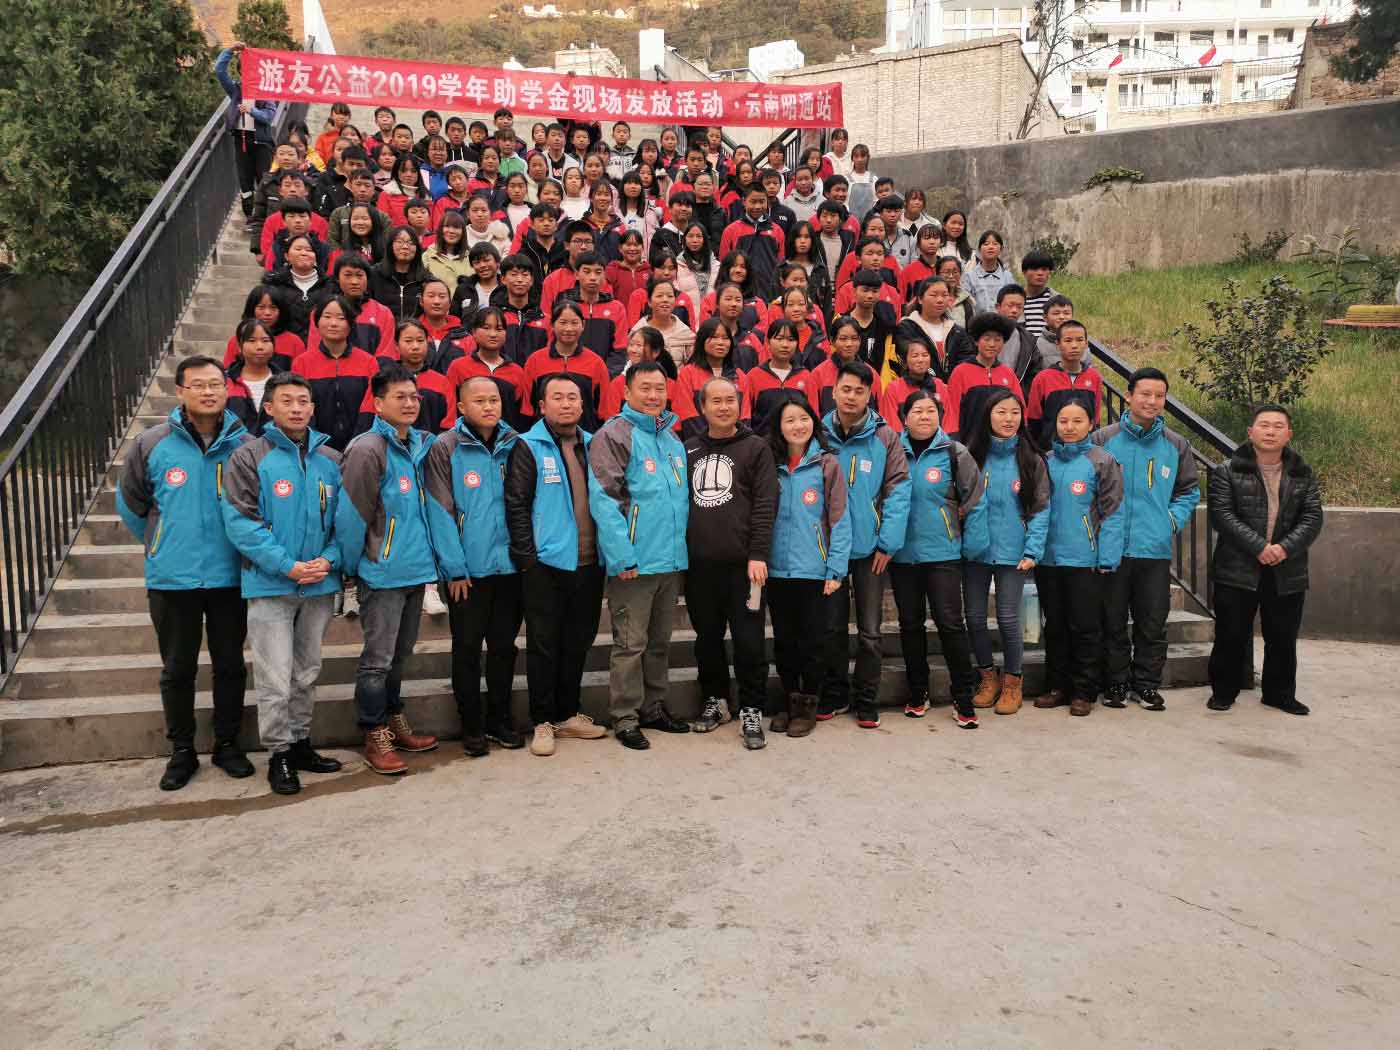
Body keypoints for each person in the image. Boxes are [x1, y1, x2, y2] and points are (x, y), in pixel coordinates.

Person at [116, 356, 252, 791]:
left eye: (215, 384)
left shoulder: (246, 445)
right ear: (180, 392)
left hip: (231, 576)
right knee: (177, 668)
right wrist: (162, 542)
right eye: (198, 385)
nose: (208, 392)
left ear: (227, 390)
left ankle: (227, 743)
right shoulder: (152, 443)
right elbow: (131, 504)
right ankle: (182, 750)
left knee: (230, 664)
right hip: (173, 577)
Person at [221, 373, 345, 794]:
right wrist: (287, 566)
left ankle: (301, 741)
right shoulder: (249, 457)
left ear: (313, 408)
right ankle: (279, 754)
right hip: (270, 584)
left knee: (307, 671)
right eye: (286, 401)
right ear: (269, 408)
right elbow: (241, 522)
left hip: (319, 584)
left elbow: (345, 521)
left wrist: (329, 559)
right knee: (275, 676)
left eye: (303, 401)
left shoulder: (330, 458)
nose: (296, 408)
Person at [336, 365, 442, 774]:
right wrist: (352, 568)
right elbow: (352, 515)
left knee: (400, 656)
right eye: (400, 397)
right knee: (377, 660)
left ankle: (394, 718)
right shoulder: (367, 449)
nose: (410, 403)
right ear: (378, 404)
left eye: (414, 396)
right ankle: (373, 731)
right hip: (381, 572)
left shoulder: (419, 444)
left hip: (415, 569)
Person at [504, 375, 611, 757]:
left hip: (589, 562)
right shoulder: (528, 446)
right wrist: (528, 559)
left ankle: (567, 713)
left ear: (582, 405)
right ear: (541, 405)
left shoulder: (593, 444)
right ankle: (542, 720)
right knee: (544, 644)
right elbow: (516, 504)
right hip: (546, 565)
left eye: (573, 398)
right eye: (558, 397)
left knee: (578, 641)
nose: (566, 404)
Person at [586, 361, 691, 750]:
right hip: (634, 562)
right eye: (644, 388)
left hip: (670, 559)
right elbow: (604, 499)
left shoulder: (672, 438)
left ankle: (654, 707)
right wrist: (621, 556)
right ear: (626, 392)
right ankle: (625, 716)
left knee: (659, 642)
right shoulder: (613, 435)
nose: (653, 395)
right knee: (630, 644)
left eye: (659, 388)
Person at [424, 376, 528, 755]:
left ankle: (499, 720)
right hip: (467, 573)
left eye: (494, 400)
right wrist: (454, 569)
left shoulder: (516, 443)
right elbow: (440, 511)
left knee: (503, 648)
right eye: (479, 401)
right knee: (467, 649)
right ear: (461, 407)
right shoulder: (445, 447)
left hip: (510, 569)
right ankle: (471, 726)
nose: (488, 407)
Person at [1092, 367, 1200, 711]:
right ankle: (1116, 683)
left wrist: (1168, 522)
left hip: (1153, 549)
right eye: (1145, 394)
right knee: (1111, 621)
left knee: (1152, 623)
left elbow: (1188, 491)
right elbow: (1088, 487)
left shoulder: (1176, 444)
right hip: (1111, 549)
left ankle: (1147, 685)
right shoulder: (1102, 439)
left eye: (1159, 395)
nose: (1151, 401)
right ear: (1128, 396)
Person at [1206, 405, 1323, 717]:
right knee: (1231, 634)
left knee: (1282, 637)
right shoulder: (1226, 471)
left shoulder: (1302, 472)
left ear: (1289, 434)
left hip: (1287, 568)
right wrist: (1260, 547)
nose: (1270, 432)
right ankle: (1223, 692)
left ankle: (1279, 694)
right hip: (1237, 567)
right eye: (1264, 425)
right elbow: (1222, 516)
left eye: (1278, 426)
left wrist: (1283, 549)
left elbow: (1312, 518)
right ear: (1251, 432)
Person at [684, 378, 777, 748]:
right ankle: (716, 700)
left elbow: (766, 504)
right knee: (706, 639)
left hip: (744, 568)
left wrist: (758, 553)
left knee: (749, 641)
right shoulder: (689, 449)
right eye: (716, 401)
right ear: (702, 408)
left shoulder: (756, 448)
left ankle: (752, 708)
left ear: (740, 405)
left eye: (730, 400)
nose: (724, 407)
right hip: (700, 567)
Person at [818, 361, 910, 727]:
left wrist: (888, 543)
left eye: (859, 390)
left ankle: (866, 698)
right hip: (829, 550)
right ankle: (835, 692)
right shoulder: (818, 433)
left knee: (870, 631)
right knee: (832, 628)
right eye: (846, 389)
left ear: (870, 394)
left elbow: (898, 489)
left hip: (872, 549)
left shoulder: (885, 437)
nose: (851, 396)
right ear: (834, 391)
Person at [888, 389, 987, 728]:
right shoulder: (892, 451)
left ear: (940, 416)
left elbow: (975, 500)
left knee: (950, 624)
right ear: (904, 417)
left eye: (931, 410)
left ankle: (963, 696)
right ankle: (918, 692)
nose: (924, 416)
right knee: (910, 625)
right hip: (902, 554)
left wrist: (970, 547)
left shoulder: (954, 452)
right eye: (917, 410)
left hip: (943, 553)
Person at [1034, 399, 1124, 718]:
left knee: (1085, 627)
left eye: (1077, 421)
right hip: (1049, 559)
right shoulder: (1045, 461)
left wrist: (1107, 557)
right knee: (1055, 626)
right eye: (1063, 421)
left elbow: (1113, 512)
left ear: (1091, 423)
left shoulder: (1102, 461)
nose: (1069, 427)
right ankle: (1057, 686)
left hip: (1086, 560)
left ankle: (1085, 691)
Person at [962, 388, 1050, 716]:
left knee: (1009, 618)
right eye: (1001, 412)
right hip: (976, 550)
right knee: (974, 617)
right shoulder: (971, 456)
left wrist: (1033, 550)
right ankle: (987, 678)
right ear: (988, 416)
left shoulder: (1031, 459)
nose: (1008, 419)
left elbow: (1041, 508)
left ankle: (1013, 681)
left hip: (1014, 550)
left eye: (1015, 412)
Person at [767, 397, 851, 737]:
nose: (797, 426)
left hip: (814, 569)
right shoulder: (769, 463)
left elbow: (840, 518)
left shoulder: (827, 464)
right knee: (785, 641)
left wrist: (836, 568)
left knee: (813, 642)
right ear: (779, 427)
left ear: (813, 423)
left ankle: (808, 704)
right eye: (789, 420)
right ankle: (789, 700)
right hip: (776, 569)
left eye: (803, 419)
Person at [291, 296, 379, 453]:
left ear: (350, 324)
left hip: (361, 447)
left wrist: (357, 443)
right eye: (327, 316)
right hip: (315, 448)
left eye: (341, 318)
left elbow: (371, 406)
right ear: (317, 322)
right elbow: (302, 405)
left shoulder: (369, 362)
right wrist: (316, 444)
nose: (333, 323)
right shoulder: (302, 363)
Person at [944, 312, 1025, 440]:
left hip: (1002, 442)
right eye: (987, 339)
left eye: (997, 339)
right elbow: (952, 411)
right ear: (976, 341)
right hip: (969, 442)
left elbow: (1020, 409)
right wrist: (955, 441)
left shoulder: (1008, 373)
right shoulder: (961, 372)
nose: (992, 344)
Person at [1026, 319, 1103, 449]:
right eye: (1068, 340)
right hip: (1050, 451)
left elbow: (1095, 419)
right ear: (1058, 344)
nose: (1074, 345)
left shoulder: (1094, 377)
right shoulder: (1043, 378)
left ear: (1086, 344)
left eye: (1079, 340)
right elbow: (1034, 421)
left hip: (1084, 450)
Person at [878, 339, 948, 434]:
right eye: (915, 356)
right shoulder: (893, 389)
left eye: (925, 355)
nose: (920, 360)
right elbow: (891, 427)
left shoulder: (940, 385)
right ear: (905, 361)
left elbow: (949, 423)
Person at [963, 230, 1012, 314]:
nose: (990, 247)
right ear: (979, 249)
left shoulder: (1007, 276)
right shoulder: (969, 277)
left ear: (1001, 248)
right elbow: (967, 305)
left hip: (1003, 321)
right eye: (986, 244)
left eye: (995, 244)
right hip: (978, 321)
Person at [1019, 249, 1058, 338]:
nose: (1040, 273)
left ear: (1049, 273)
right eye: (1035, 269)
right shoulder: (1015, 299)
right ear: (1024, 272)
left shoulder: (1056, 299)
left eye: (1044, 269)